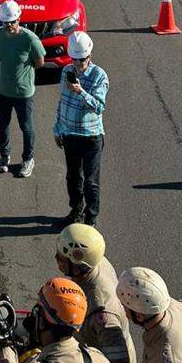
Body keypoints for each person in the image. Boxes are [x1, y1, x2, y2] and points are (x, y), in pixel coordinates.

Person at [56, 225, 136, 363]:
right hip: (95, 351)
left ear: (79, 268)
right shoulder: (96, 263)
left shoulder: (102, 312)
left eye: (62, 258)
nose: (57, 261)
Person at [53, 31, 109, 227]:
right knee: (73, 177)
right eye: (75, 60)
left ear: (90, 57)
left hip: (91, 137)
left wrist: (81, 92)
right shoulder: (66, 71)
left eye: (82, 60)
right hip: (70, 134)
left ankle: (91, 217)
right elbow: (63, 102)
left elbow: (99, 106)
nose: (78, 64)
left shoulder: (99, 76)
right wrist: (58, 128)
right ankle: (76, 211)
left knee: (90, 181)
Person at [0, 0, 45, 176]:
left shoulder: (30, 39)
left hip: (23, 93)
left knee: (26, 127)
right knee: (2, 125)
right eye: (6, 22)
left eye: (12, 22)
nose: (9, 26)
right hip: (2, 91)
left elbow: (39, 62)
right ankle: (4, 155)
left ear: (19, 19)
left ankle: (28, 159)